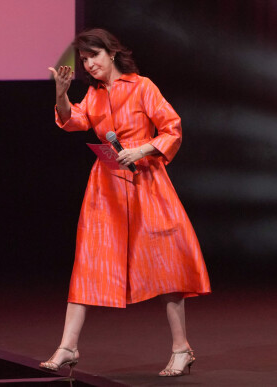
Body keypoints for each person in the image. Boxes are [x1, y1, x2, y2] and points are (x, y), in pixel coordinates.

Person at [41, 28, 211, 377]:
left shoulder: (142, 86)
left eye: (94, 57)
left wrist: (142, 148)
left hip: (147, 183)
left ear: (112, 53)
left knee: (166, 264)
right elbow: (74, 121)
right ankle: (67, 347)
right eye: (84, 60)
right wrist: (61, 95)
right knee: (88, 261)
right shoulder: (93, 94)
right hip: (106, 190)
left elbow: (172, 128)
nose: (89, 65)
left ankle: (182, 349)